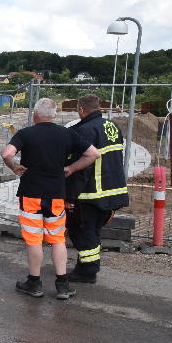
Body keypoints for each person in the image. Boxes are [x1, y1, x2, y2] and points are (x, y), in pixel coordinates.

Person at [1, 98, 99, 300]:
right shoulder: (67, 133)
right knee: (57, 239)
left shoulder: (25, 133)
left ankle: (34, 283)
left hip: (31, 195)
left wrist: (14, 167)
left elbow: (6, 154)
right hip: (56, 196)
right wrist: (71, 168)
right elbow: (93, 154)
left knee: (34, 239)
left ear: (36, 114)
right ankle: (62, 285)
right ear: (54, 115)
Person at [65, 94, 129, 284]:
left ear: (81, 109)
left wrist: (69, 195)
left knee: (81, 230)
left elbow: (83, 167)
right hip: (113, 190)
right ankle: (85, 266)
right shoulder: (113, 126)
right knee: (93, 230)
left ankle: (87, 271)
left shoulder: (85, 130)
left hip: (92, 192)